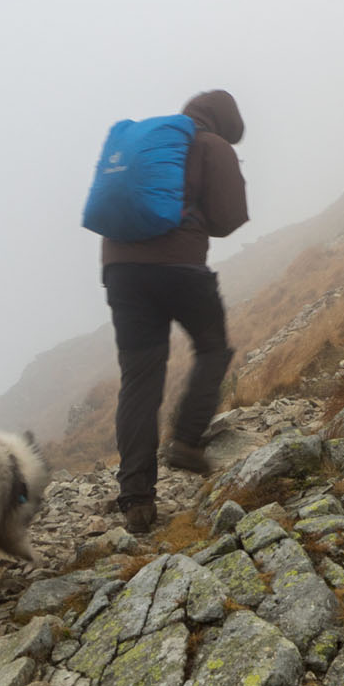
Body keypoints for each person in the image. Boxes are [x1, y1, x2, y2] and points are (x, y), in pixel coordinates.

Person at [101, 89, 247, 534]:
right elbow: (228, 218)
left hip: (122, 271)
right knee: (212, 347)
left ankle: (137, 502)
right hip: (181, 268)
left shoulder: (152, 145)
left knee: (140, 379)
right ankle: (186, 440)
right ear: (225, 122)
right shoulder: (212, 145)